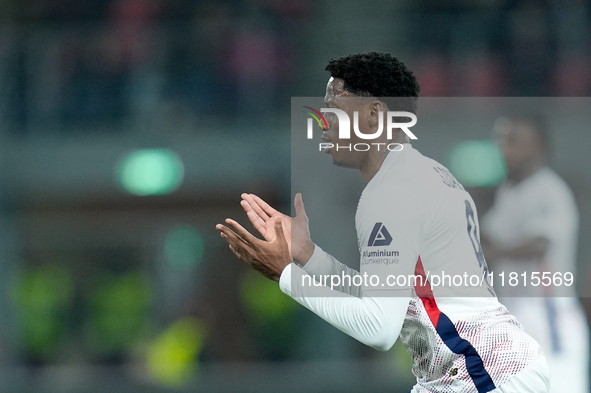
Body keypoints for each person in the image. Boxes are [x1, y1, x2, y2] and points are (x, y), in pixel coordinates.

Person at [216, 52, 550, 393]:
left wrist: (286, 275)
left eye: (334, 111)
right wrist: (308, 256)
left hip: (483, 374)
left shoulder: (390, 194)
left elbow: (379, 328)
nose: (322, 122)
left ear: (374, 115)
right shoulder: (427, 174)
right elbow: (391, 295)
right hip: (482, 368)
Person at [481, 114, 589, 393]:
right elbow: (485, 234)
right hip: (514, 317)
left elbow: (541, 243)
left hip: (548, 316)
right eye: (503, 141)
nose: (505, 149)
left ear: (538, 147)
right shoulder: (510, 192)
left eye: (514, 141)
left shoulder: (551, 189)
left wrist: (496, 253)